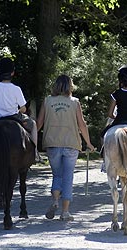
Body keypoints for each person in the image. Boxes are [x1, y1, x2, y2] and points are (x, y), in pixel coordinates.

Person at [37, 74, 95, 221]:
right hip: (71, 144)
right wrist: (88, 143)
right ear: (70, 86)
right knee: (68, 177)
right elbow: (82, 124)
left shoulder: (47, 101)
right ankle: (65, 212)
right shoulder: (75, 102)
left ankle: (55, 201)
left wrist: (31, 140)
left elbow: (39, 123)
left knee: (57, 175)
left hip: (52, 143)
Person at [0, 57, 39, 162]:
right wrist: (20, 110)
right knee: (33, 124)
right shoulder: (16, 89)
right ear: (12, 73)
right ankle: (35, 153)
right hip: (14, 117)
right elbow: (23, 108)